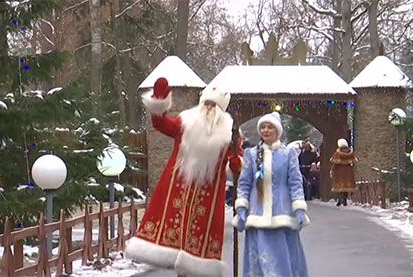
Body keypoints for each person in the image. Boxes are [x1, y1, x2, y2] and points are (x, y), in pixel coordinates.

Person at [124, 78, 242, 277]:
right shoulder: (185, 123)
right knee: (175, 234)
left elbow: (233, 164)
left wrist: (235, 162)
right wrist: (159, 100)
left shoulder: (228, 135)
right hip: (179, 187)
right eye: (206, 103)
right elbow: (161, 123)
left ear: (221, 110)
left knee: (199, 244)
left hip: (208, 195)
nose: (209, 108)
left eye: (214, 105)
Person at [233, 111, 309, 277]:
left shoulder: (288, 154)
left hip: (282, 215)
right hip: (257, 215)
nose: (265, 130)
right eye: (263, 127)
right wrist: (241, 207)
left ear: (277, 131)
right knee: (258, 264)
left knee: (284, 263)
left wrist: (299, 208)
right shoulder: (252, 154)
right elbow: (245, 183)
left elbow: (295, 182)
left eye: (269, 127)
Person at [329, 138, 358, 206]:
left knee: (339, 186)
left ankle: (339, 200)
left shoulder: (337, 153)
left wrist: (332, 170)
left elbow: (335, 163)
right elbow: (353, 162)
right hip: (348, 171)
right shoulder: (350, 153)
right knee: (346, 186)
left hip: (339, 171)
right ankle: (345, 200)